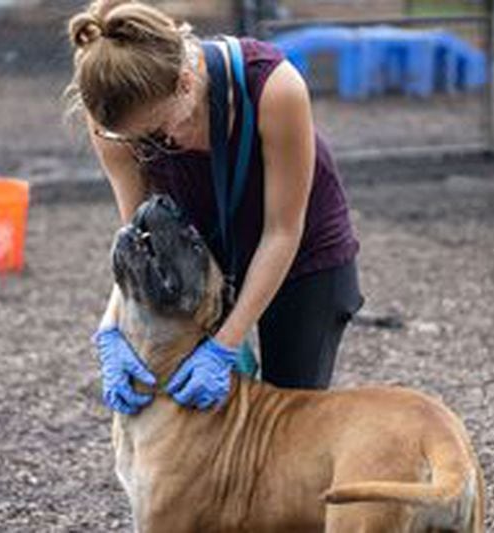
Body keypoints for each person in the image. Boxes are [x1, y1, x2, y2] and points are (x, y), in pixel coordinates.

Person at [66, 0, 363, 415]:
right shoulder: (114, 127)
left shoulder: (275, 88)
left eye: (158, 131)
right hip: (205, 259)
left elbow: (283, 231)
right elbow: (140, 245)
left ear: (186, 82)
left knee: (287, 416)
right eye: (141, 139)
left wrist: (224, 344)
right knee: (205, 417)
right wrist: (109, 330)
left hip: (302, 254)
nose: (159, 144)